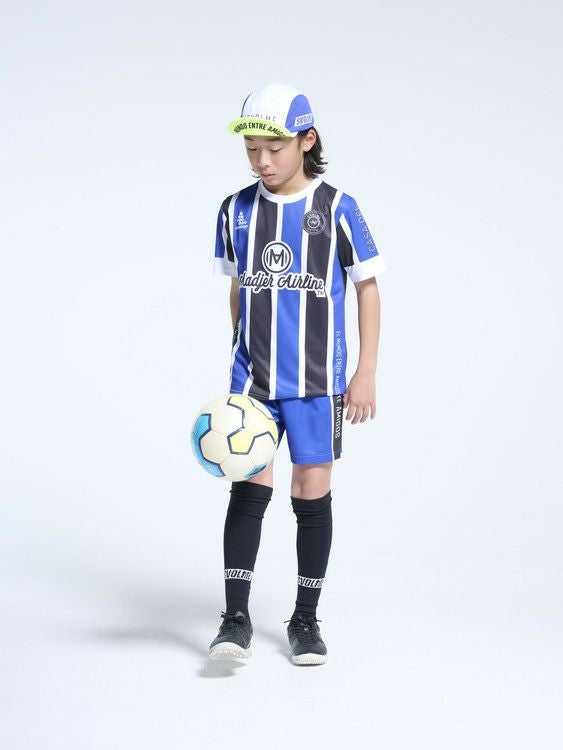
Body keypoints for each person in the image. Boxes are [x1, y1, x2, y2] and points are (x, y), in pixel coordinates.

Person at [208, 82, 387, 666]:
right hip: (253, 385)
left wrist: (364, 372)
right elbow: (238, 286)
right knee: (248, 490)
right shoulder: (235, 210)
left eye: (274, 148)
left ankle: (305, 619)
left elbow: (367, 288)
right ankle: (235, 618)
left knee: (311, 494)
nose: (261, 160)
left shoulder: (337, 207)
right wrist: (241, 352)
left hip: (316, 382)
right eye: (252, 149)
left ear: (307, 140)